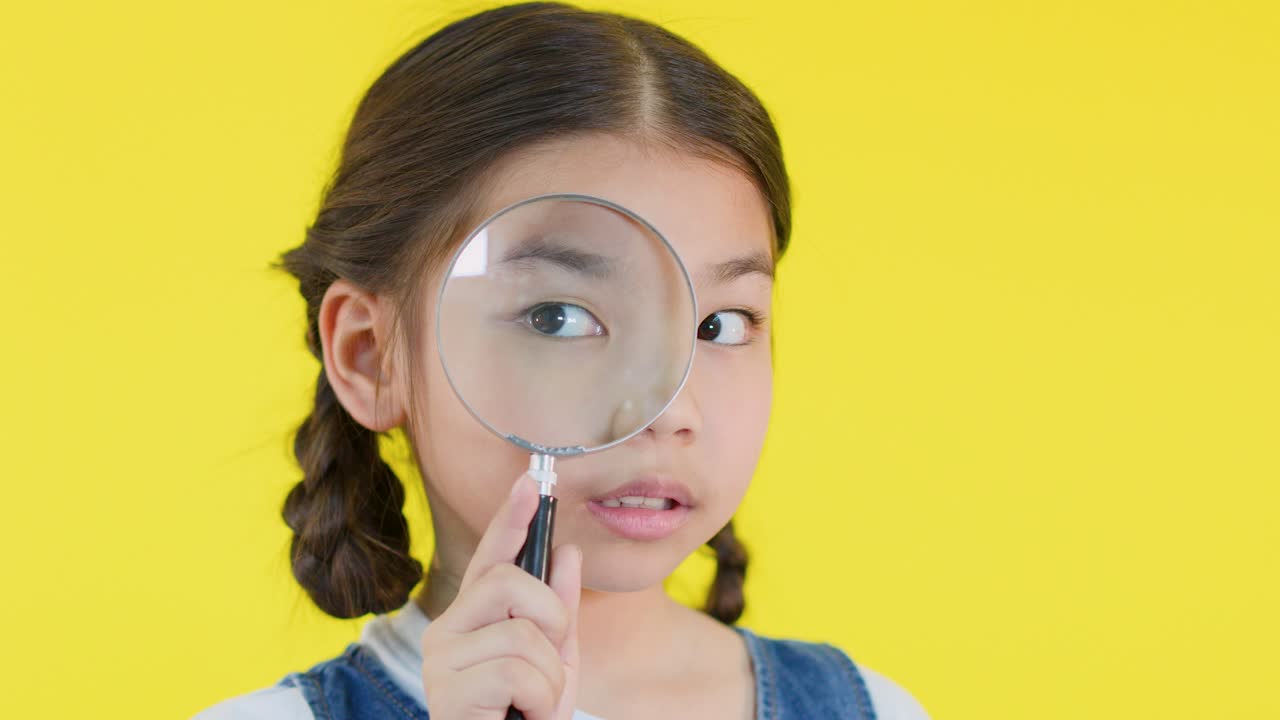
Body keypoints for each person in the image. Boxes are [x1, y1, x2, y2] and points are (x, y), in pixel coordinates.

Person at [194, 2, 929, 718]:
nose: (670, 409)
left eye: (720, 323)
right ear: (370, 356)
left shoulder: (873, 709)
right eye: (560, 317)